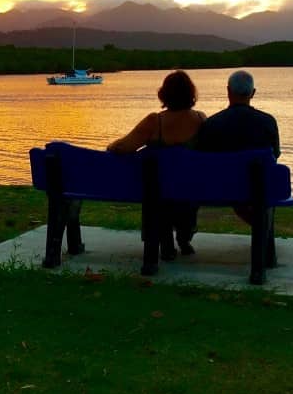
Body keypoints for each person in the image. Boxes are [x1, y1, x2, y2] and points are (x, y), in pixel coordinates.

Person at [107, 70, 206, 259]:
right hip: (190, 192)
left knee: (156, 190)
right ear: (191, 94)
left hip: (158, 193)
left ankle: (165, 242)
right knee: (179, 189)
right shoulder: (201, 120)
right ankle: (184, 237)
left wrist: (111, 145)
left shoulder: (154, 122)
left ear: (163, 94)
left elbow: (122, 147)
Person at [196, 69, 281, 225]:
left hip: (218, 188)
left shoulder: (211, 124)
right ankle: (263, 229)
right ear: (253, 93)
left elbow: (203, 158)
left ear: (228, 91)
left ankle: (259, 224)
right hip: (258, 187)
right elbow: (275, 154)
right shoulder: (268, 122)